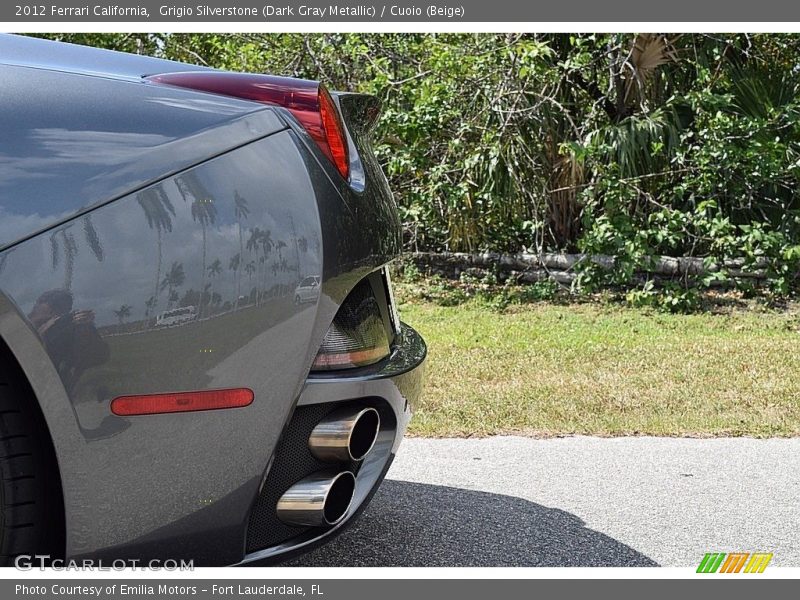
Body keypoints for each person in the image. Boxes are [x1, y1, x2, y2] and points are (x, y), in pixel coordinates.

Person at [28, 289, 110, 394]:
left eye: (59, 311)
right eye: (50, 303)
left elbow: (100, 356)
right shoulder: (18, 328)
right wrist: (41, 332)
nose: (53, 314)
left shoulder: (70, 329)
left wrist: (86, 327)